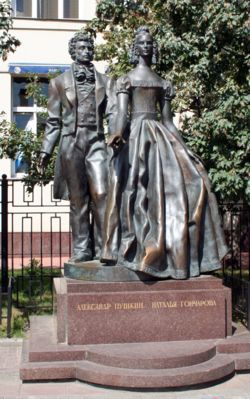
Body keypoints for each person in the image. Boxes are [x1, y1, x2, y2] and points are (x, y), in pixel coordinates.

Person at [101, 26, 228, 279]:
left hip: (160, 137)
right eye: (142, 43)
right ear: (135, 48)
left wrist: (185, 148)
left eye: (150, 43)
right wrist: (116, 135)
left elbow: (168, 121)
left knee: (194, 183)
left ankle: (180, 256)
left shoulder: (162, 82)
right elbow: (122, 116)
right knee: (136, 192)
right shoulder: (126, 79)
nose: (147, 46)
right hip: (136, 137)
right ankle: (133, 250)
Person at [39, 32, 113, 263]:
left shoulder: (106, 82)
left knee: (102, 194)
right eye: (81, 48)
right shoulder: (58, 83)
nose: (86, 51)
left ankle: (104, 247)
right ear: (73, 51)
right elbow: (53, 121)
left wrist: (119, 134)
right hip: (72, 143)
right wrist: (45, 151)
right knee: (78, 199)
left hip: (97, 141)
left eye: (89, 47)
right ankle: (82, 248)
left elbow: (113, 112)